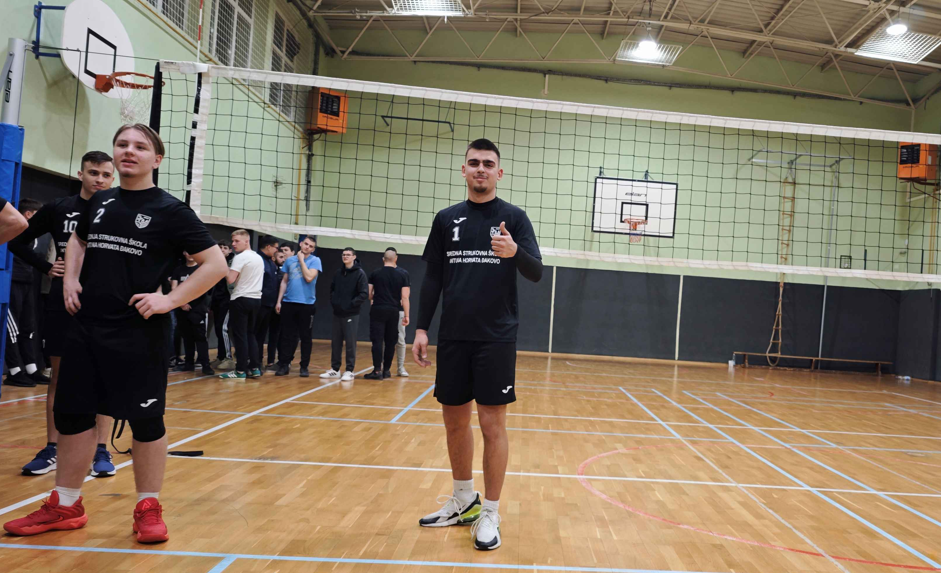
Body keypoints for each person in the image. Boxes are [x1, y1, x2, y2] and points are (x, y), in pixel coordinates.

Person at [3, 124, 227, 543]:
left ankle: (148, 507)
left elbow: (215, 264)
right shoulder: (101, 200)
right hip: (86, 327)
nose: (129, 151)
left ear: (156, 159)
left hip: (139, 333)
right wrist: (70, 279)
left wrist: (169, 300)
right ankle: (66, 504)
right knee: (72, 416)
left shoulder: (171, 210)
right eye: (122, 144)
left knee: (146, 421)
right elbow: (78, 240)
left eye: (140, 146)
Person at [413, 139, 542, 551]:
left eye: (488, 163)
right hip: (453, 335)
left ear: (499, 173)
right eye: (474, 163)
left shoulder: (514, 218)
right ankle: (463, 500)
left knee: (491, 425)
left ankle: (490, 512)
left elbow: (536, 271)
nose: (480, 169)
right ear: (464, 170)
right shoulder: (446, 218)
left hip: (495, 337)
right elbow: (433, 278)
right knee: (454, 421)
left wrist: (514, 251)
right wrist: (421, 328)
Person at [8, 151, 118, 478]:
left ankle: (101, 450)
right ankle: (52, 448)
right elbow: (16, 240)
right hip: (62, 301)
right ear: (81, 174)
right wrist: (46, 267)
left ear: (113, 178)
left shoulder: (118, 210)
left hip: (104, 303)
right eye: (93, 172)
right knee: (59, 376)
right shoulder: (59, 208)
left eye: (105, 174)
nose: (99, 179)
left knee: (103, 377)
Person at [4, 199, 49, 388]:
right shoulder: (13, 229)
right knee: (11, 329)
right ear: (29, 214)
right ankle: (15, 371)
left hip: (28, 281)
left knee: (28, 327)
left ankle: (31, 369)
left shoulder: (31, 234)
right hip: (12, 281)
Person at [219, 230, 264, 380]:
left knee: (240, 336)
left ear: (246, 241)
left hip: (241, 299)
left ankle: (240, 371)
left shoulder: (240, 257)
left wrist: (222, 265)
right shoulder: (258, 257)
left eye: (236, 241)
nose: (233, 244)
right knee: (250, 334)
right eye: (233, 241)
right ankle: (255, 368)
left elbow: (230, 279)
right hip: (256, 300)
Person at [275, 236, 322, 378]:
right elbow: (284, 281)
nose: (307, 247)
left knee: (305, 337)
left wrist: (301, 260)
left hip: (306, 305)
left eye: (311, 246)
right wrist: (279, 301)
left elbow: (309, 277)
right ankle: (284, 364)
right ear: (301, 244)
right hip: (289, 303)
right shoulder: (289, 261)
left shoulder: (315, 261)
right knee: (287, 336)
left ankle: (304, 366)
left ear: (313, 249)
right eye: (306, 244)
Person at [321, 248, 367, 381]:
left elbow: (363, 293)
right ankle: (335, 369)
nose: (345, 256)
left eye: (348, 255)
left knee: (350, 343)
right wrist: (335, 302)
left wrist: (350, 304)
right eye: (343, 254)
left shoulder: (360, 274)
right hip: (337, 313)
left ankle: (349, 370)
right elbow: (332, 289)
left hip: (351, 313)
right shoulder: (338, 273)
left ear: (354, 257)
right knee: (336, 342)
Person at [364, 248, 410, 380]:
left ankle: (377, 371)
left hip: (378, 309)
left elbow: (369, 295)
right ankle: (387, 370)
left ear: (383, 259)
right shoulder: (402, 275)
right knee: (391, 342)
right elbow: (405, 297)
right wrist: (407, 315)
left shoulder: (375, 273)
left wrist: (377, 296)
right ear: (396, 259)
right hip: (393, 310)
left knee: (377, 341)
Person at [171, 252, 214, 375]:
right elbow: (174, 287)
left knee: (200, 337)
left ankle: (205, 365)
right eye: (187, 251)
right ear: (184, 253)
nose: (190, 254)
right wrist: (181, 302)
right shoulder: (178, 270)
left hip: (197, 309)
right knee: (187, 337)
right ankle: (188, 364)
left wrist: (188, 301)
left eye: (192, 252)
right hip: (181, 308)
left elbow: (203, 288)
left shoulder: (201, 269)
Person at [254, 235, 280, 372]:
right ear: (268, 247)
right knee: (254, 334)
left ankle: (258, 362)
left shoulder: (270, 262)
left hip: (269, 305)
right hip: (259, 304)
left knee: (261, 335)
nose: (277, 250)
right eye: (276, 248)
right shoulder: (258, 260)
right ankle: (252, 362)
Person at [210, 241, 234, 369]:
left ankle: (228, 358)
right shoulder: (213, 262)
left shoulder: (233, 263)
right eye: (220, 247)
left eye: (225, 248)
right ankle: (221, 357)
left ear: (230, 251)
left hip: (228, 300)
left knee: (224, 328)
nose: (222, 249)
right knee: (218, 329)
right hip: (216, 301)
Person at [266, 249, 287, 369]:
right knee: (265, 334)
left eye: (284, 257)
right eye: (280, 257)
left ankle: (276, 361)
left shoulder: (283, 273)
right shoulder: (270, 271)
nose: (283, 259)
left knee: (276, 334)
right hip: (267, 305)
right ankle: (263, 360)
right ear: (274, 258)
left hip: (278, 307)